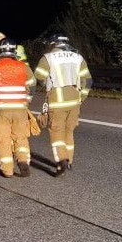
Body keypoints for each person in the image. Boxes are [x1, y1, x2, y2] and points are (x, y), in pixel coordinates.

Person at [33, 33, 91, 176]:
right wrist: (82, 96)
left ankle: (61, 160)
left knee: (56, 132)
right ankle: (69, 160)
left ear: (53, 44)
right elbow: (88, 80)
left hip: (56, 102)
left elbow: (39, 76)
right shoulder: (78, 57)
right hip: (74, 102)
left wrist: (46, 83)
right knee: (69, 132)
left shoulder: (48, 58)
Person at [0, 38, 36, 178]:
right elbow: (33, 84)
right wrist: (27, 100)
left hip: (1, 110)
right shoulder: (23, 66)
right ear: (14, 51)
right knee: (20, 137)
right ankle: (23, 161)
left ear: (0, 51)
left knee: (2, 139)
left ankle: (8, 170)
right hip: (20, 109)